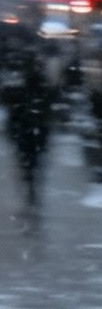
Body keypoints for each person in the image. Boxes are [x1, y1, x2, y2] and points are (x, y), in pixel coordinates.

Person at [4, 34, 54, 209]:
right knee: (35, 159)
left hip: (25, 128)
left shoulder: (19, 84)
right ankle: (32, 181)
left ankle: (29, 178)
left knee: (27, 158)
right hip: (36, 128)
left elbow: (9, 102)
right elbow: (49, 101)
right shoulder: (40, 84)